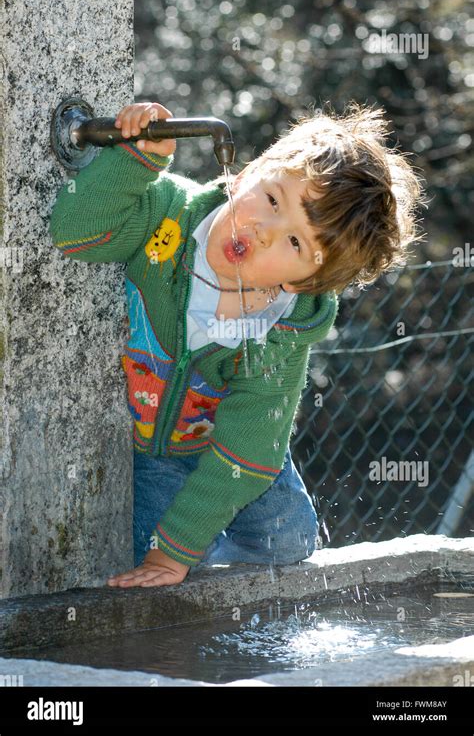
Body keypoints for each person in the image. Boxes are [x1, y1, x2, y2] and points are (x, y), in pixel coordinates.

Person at [49, 100, 425, 588]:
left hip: (238, 445)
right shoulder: (169, 219)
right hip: (156, 449)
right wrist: (134, 161)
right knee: (161, 564)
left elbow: (249, 452)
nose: (265, 233)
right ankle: (198, 543)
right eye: (272, 201)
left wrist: (180, 547)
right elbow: (74, 235)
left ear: (306, 281)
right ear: (248, 172)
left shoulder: (281, 327)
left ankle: (208, 531)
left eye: (295, 244)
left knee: (288, 539)